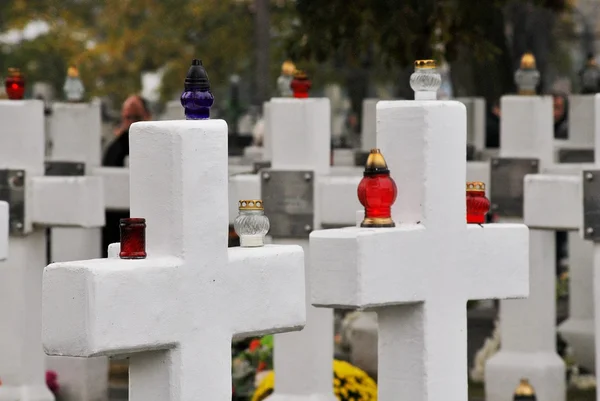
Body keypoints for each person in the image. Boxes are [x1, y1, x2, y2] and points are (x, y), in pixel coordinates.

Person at [101, 95, 152, 257]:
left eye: (136, 117)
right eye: (128, 117)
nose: (131, 122)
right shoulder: (115, 148)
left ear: (148, 117)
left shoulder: (154, 146)